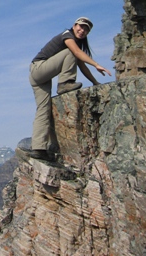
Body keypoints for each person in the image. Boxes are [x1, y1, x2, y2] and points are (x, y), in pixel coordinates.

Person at [18, 17, 112, 162]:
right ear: (74, 26)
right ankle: (65, 83)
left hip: (39, 76)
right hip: (38, 69)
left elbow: (81, 65)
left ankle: (39, 149)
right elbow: (75, 53)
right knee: (71, 52)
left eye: (86, 29)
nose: (82, 30)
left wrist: (94, 82)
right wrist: (96, 64)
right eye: (81, 27)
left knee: (43, 109)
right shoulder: (67, 35)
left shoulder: (75, 43)